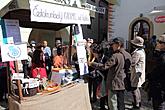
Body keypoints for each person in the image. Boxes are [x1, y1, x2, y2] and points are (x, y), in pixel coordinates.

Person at [90, 37, 126, 110]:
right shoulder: (123, 54)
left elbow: (104, 66)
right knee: (119, 101)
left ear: (118, 45)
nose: (112, 46)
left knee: (112, 102)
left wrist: (92, 64)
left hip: (114, 82)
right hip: (120, 81)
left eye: (113, 45)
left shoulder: (115, 55)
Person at [147, 34, 165, 110]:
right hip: (158, 88)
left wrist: (150, 76)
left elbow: (157, 72)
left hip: (160, 88)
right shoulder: (160, 55)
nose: (157, 43)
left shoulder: (163, 58)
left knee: (159, 106)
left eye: (160, 42)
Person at [130, 36, 146, 109]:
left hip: (136, 73)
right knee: (137, 89)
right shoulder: (141, 51)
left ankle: (136, 105)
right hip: (139, 73)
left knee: (134, 89)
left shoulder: (138, 53)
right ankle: (138, 103)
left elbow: (132, 62)